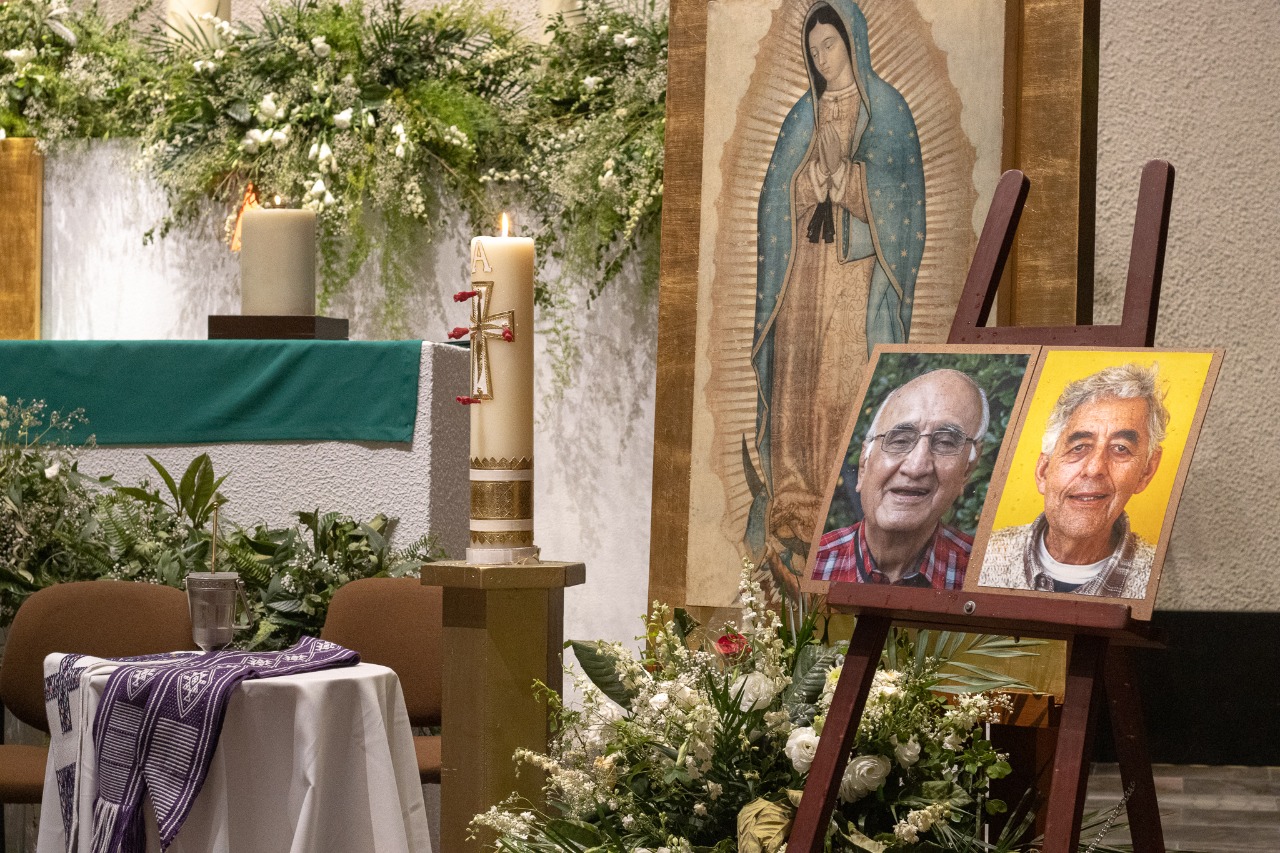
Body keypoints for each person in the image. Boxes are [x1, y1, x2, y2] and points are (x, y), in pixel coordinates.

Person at [746, 0, 927, 586]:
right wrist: (804, 184)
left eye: (832, 45)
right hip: (805, 276)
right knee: (799, 387)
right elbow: (775, 195)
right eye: (815, 48)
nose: (823, 57)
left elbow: (905, 201)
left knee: (841, 383)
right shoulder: (803, 114)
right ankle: (796, 505)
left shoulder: (889, 112)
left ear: (853, 43)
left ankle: (845, 499)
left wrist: (849, 182)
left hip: (857, 275)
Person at [978, 363, 1169, 598]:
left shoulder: (1162, 579)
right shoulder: (980, 556)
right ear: (1043, 471)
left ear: (1146, 472)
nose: (1094, 468)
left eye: (1121, 448)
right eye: (1079, 447)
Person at [810, 369, 988, 589]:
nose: (916, 467)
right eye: (900, 441)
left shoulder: (986, 578)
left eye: (945, 443)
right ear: (864, 465)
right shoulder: (810, 563)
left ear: (967, 472)